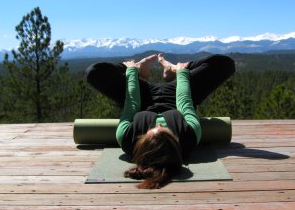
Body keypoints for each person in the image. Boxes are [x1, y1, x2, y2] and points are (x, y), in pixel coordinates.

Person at [86, 53, 235, 189]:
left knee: (94, 72)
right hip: (176, 95)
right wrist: (181, 72)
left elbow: (131, 105)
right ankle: (171, 70)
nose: (159, 124)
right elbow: (185, 103)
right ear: (175, 141)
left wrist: (132, 72)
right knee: (224, 64)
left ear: (143, 141)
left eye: (153, 130)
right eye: (166, 130)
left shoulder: (127, 138)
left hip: (142, 96)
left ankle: (140, 70)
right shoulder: (188, 136)